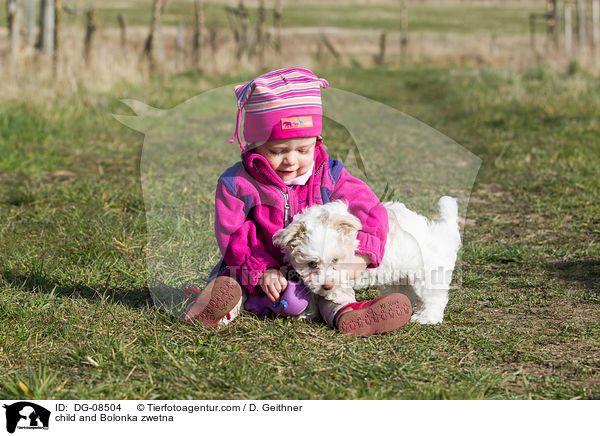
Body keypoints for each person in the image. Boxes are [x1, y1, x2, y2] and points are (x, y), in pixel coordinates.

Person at [184, 67, 411, 336]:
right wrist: (261, 269)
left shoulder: (329, 174)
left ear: (316, 141)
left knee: (331, 290)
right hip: (252, 263)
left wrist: (362, 255)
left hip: (315, 269)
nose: (291, 160)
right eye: (277, 151)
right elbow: (233, 234)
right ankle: (218, 305)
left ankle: (350, 315)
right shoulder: (238, 183)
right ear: (254, 144)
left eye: (303, 150)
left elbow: (370, 207)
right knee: (233, 281)